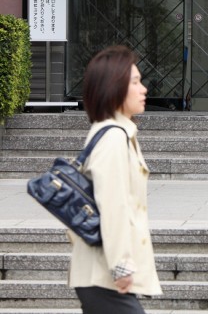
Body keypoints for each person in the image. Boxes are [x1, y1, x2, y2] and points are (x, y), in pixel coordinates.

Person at [68, 45, 162, 314]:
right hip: (103, 276)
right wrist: (120, 267)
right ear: (114, 88)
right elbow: (113, 206)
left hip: (101, 274)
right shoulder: (112, 138)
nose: (144, 89)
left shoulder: (118, 133)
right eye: (135, 82)